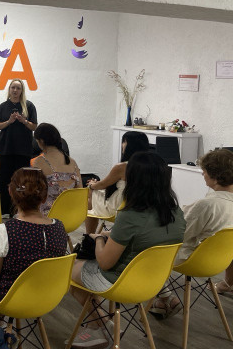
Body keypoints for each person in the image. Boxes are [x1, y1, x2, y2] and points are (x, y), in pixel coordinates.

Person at [68, 152, 185, 349]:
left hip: (121, 282)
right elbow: (145, 238)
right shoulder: (176, 213)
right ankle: (100, 326)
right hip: (153, 282)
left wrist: (99, 239)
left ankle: (102, 324)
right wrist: (112, 235)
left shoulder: (130, 215)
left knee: (69, 270)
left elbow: (105, 263)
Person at [0, 167, 68, 326]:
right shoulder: (59, 227)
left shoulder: (4, 230)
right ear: (44, 197)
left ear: (11, 193)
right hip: (48, 296)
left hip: (10, 299)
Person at [149, 148, 233, 318]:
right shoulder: (218, 202)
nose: (202, 174)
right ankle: (162, 301)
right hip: (219, 261)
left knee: (148, 249)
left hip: (194, 259)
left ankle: (166, 298)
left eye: (204, 171)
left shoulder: (207, 205)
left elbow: (179, 235)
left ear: (215, 175)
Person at [84, 131, 150, 233]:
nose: (122, 145)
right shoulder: (152, 165)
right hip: (142, 205)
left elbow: (103, 185)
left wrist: (92, 185)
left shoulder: (122, 167)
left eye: (124, 142)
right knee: (93, 195)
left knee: (89, 197)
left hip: (121, 207)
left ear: (129, 145)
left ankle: (89, 236)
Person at [0, 79, 37, 215]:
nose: (15, 90)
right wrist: (9, 121)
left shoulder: (29, 106)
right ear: (9, 89)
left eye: (18, 88)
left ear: (21, 90)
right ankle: (4, 211)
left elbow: (34, 127)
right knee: (4, 182)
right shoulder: (3, 106)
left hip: (23, 151)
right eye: (13, 87)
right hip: (6, 150)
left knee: (21, 183)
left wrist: (24, 121)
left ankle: (20, 210)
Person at [31, 123, 82, 214]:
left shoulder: (39, 161)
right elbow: (80, 192)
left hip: (48, 216)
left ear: (41, 141)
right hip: (72, 215)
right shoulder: (72, 162)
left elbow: (33, 192)